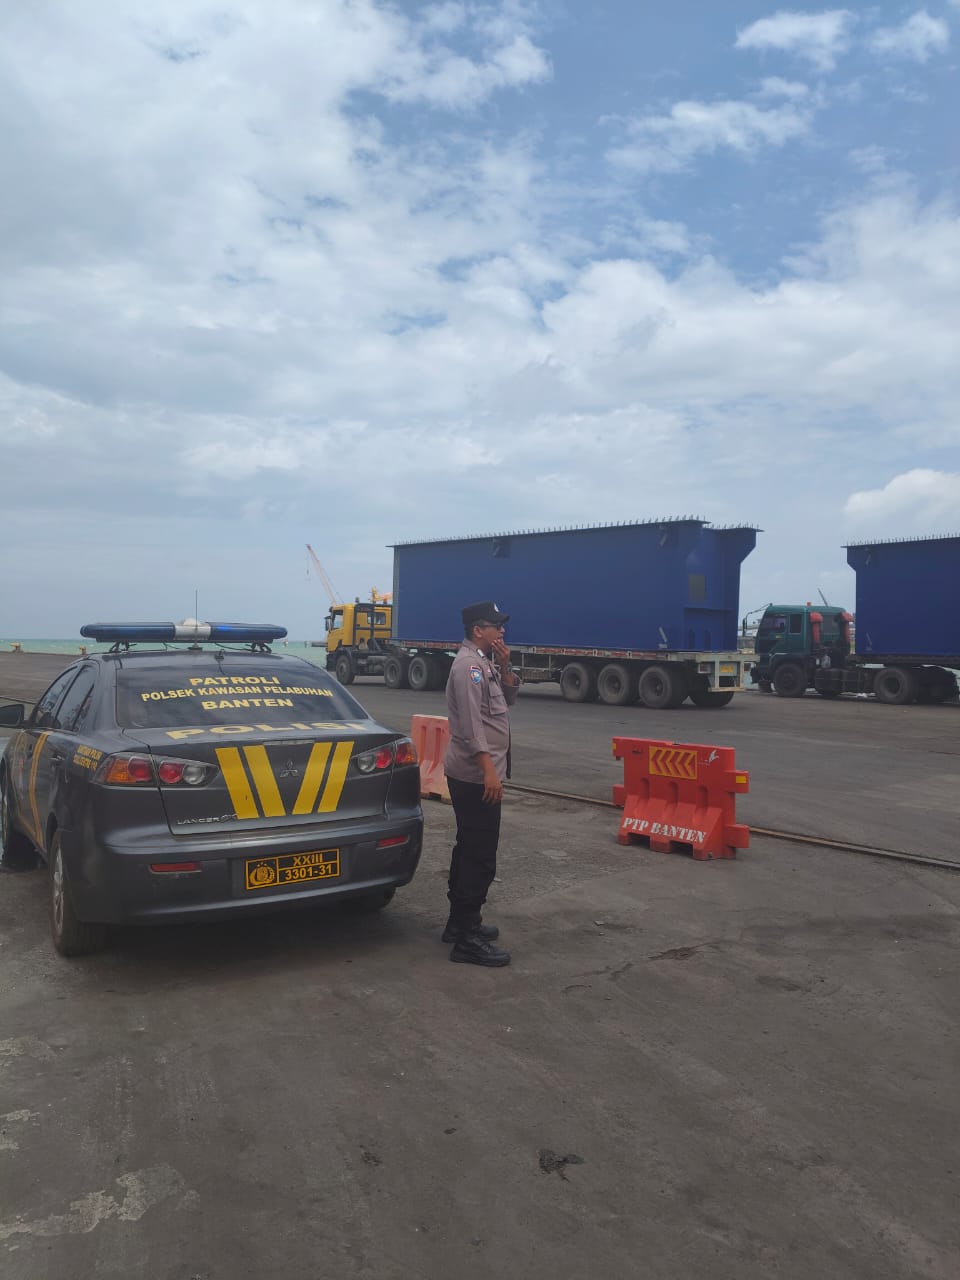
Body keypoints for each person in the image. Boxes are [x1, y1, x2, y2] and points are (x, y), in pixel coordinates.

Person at [442, 600, 520, 967]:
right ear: (478, 630)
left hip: (480, 772)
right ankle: (467, 939)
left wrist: (505, 667)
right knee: (480, 855)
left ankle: (458, 923)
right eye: (495, 625)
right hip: (475, 775)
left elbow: (505, 703)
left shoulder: (484, 663)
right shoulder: (468, 668)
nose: (502, 630)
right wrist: (489, 771)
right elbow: (472, 726)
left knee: (469, 847)